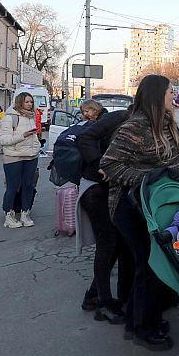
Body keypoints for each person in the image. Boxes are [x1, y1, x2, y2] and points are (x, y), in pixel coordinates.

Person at [100, 74, 179, 351]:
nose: (174, 97)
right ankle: (143, 328)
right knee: (150, 264)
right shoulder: (135, 127)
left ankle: (140, 319)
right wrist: (150, 179)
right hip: (130, 207)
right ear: (156, 96)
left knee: (153, 265)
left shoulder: (171, 122)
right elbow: (111, 166)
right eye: (169, 93)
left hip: (158, 204)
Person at [76, 99, 134, 323]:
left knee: (116, 243)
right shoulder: (119, 117)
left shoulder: (135, 122)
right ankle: (103, 304)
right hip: (95, 189)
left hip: (108, 191)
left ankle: (93, 296)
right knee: (108, 243)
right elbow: (85, 137)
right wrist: (102, 165)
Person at [0, 93, 40, 229]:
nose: (30, 104)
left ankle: (25, 213)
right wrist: (23, 135)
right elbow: (3, 140)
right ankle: (9, 216)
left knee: (28, 186)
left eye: (31, 102)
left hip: (31, 156)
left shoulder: (31, 116)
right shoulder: (9, 118)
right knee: (13, 186)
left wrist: (38, 145)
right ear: (19, 102)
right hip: (13, 157)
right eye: (27, 102)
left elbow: (34, 137)